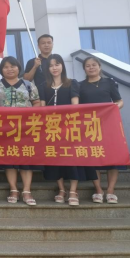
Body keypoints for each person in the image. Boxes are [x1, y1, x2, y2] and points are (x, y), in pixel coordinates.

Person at [41, 54, 96, 207]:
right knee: (55, 158)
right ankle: (61, 189)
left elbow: (75, 106)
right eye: (51, 65)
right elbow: (43, 108)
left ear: (62, 66)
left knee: (72, 158)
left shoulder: (72, 83)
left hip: (69, 127)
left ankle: (73, 191)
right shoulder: (44, 85)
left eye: (57, 64)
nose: (54, 68)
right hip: (51, 128)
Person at [0, 56, 41, 206]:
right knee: (10, 158)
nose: (10, 69)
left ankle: (26, 190)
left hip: (25, 128)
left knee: (26, 158)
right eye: (6, 67)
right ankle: (13, 189)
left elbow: (37, 103)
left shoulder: (28, 84)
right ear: (1, 70)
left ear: (18, 68)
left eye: (12, 66)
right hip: (4, 129)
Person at [79, 56, 124, 204]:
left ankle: (110, 190)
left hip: (109, 124)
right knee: (93, 156)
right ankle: (98, 190)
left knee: (113, 157)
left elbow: (119, 101)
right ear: (84, 69)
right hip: (90, 126)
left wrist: (115, 107)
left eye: (94, 65)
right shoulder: (80, 85)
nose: (91, 67)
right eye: (88, 65)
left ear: (99, 66)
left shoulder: (109, 82)